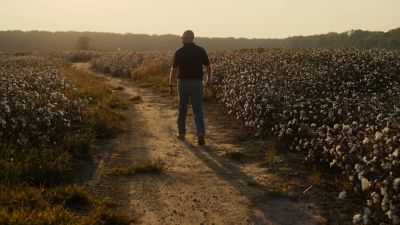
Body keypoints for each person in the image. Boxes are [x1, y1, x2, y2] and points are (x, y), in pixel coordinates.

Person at [169, 30, 212, 145]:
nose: (182, 39)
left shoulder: (179, 52)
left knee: (182, 109)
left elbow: (174, 70)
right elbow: (208, 67)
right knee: (198, 110)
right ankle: (201, 136)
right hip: (197, 83)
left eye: (183, 38)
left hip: (183, 83)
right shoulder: (200, 50)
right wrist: (209, 79)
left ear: (187, 38)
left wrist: (171, 84)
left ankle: (182, 134)